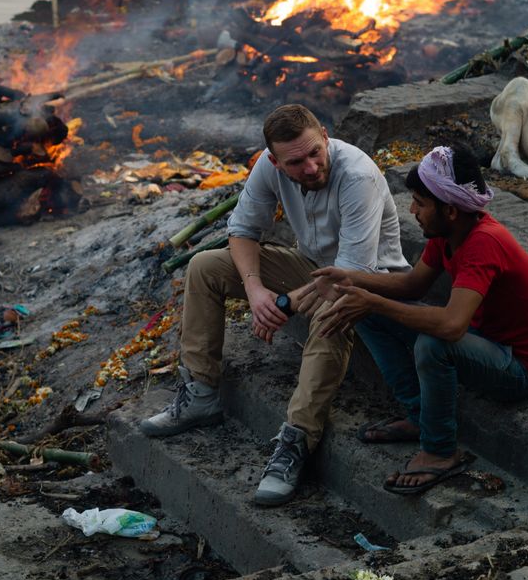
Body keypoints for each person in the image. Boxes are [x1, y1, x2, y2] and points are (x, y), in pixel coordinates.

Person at [140, 104, 409, 506]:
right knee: (204, 265)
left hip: (368, 284)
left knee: (329, 312)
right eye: (296, 162)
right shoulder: (269, 168)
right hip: (313, 267)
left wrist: (284, 304)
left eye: (315, 153)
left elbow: (347, 275)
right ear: (275, 161)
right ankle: (200, 394)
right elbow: (243, 231)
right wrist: (256, 292)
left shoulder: (358, 177)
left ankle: (296, 439)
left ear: (323, 132)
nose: (311, 168)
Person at [310, 144, 528, 496]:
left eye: (420, 203)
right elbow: (412, 284)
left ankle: (440, 450)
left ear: (450, 210)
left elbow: (452, 327)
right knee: (363, 311)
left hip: (518, 368)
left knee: (433, 342)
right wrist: (352, 280)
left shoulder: (484, 243)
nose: (412, 211)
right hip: (482, 338)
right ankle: (419, 415)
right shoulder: (447, 234)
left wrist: (374, 302)